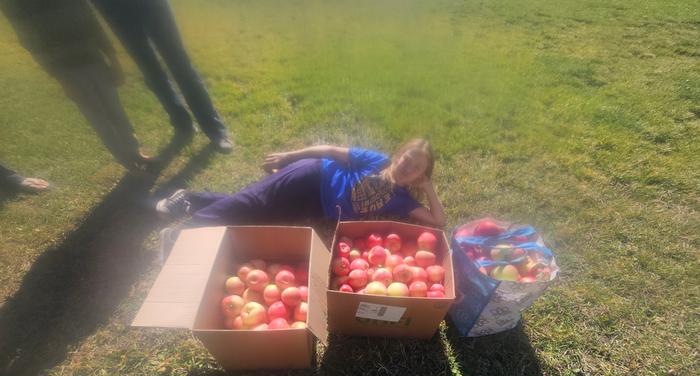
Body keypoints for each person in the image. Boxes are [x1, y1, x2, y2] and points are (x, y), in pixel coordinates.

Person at [0, 0, 152, 171]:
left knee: (116, 110)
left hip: (94, 59)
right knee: (98, 118)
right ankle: (126, 160)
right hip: (67, 71)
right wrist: (60, 79)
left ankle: (134, 151)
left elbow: (91, 20)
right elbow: (30, 41)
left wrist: (113, 58)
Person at [156, 138, 446, 227]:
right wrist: (289, 155)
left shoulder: (404, 200)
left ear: (420, 175)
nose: (408, 166)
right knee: (254, 202)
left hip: (315, 208)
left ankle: (190, 199)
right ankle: (187, 230)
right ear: (400, 154)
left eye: (416, 167)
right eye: (408, 158)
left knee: (258, 217)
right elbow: (331, 151)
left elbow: (438, 222)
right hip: (311, 176)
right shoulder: (378, 160)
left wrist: (429, 189)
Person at [91, 0, 233, 152]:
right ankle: (182, 123)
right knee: (150, 71)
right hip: (113, 7)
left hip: (152, 5)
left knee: (180, 63)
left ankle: (215, 129)